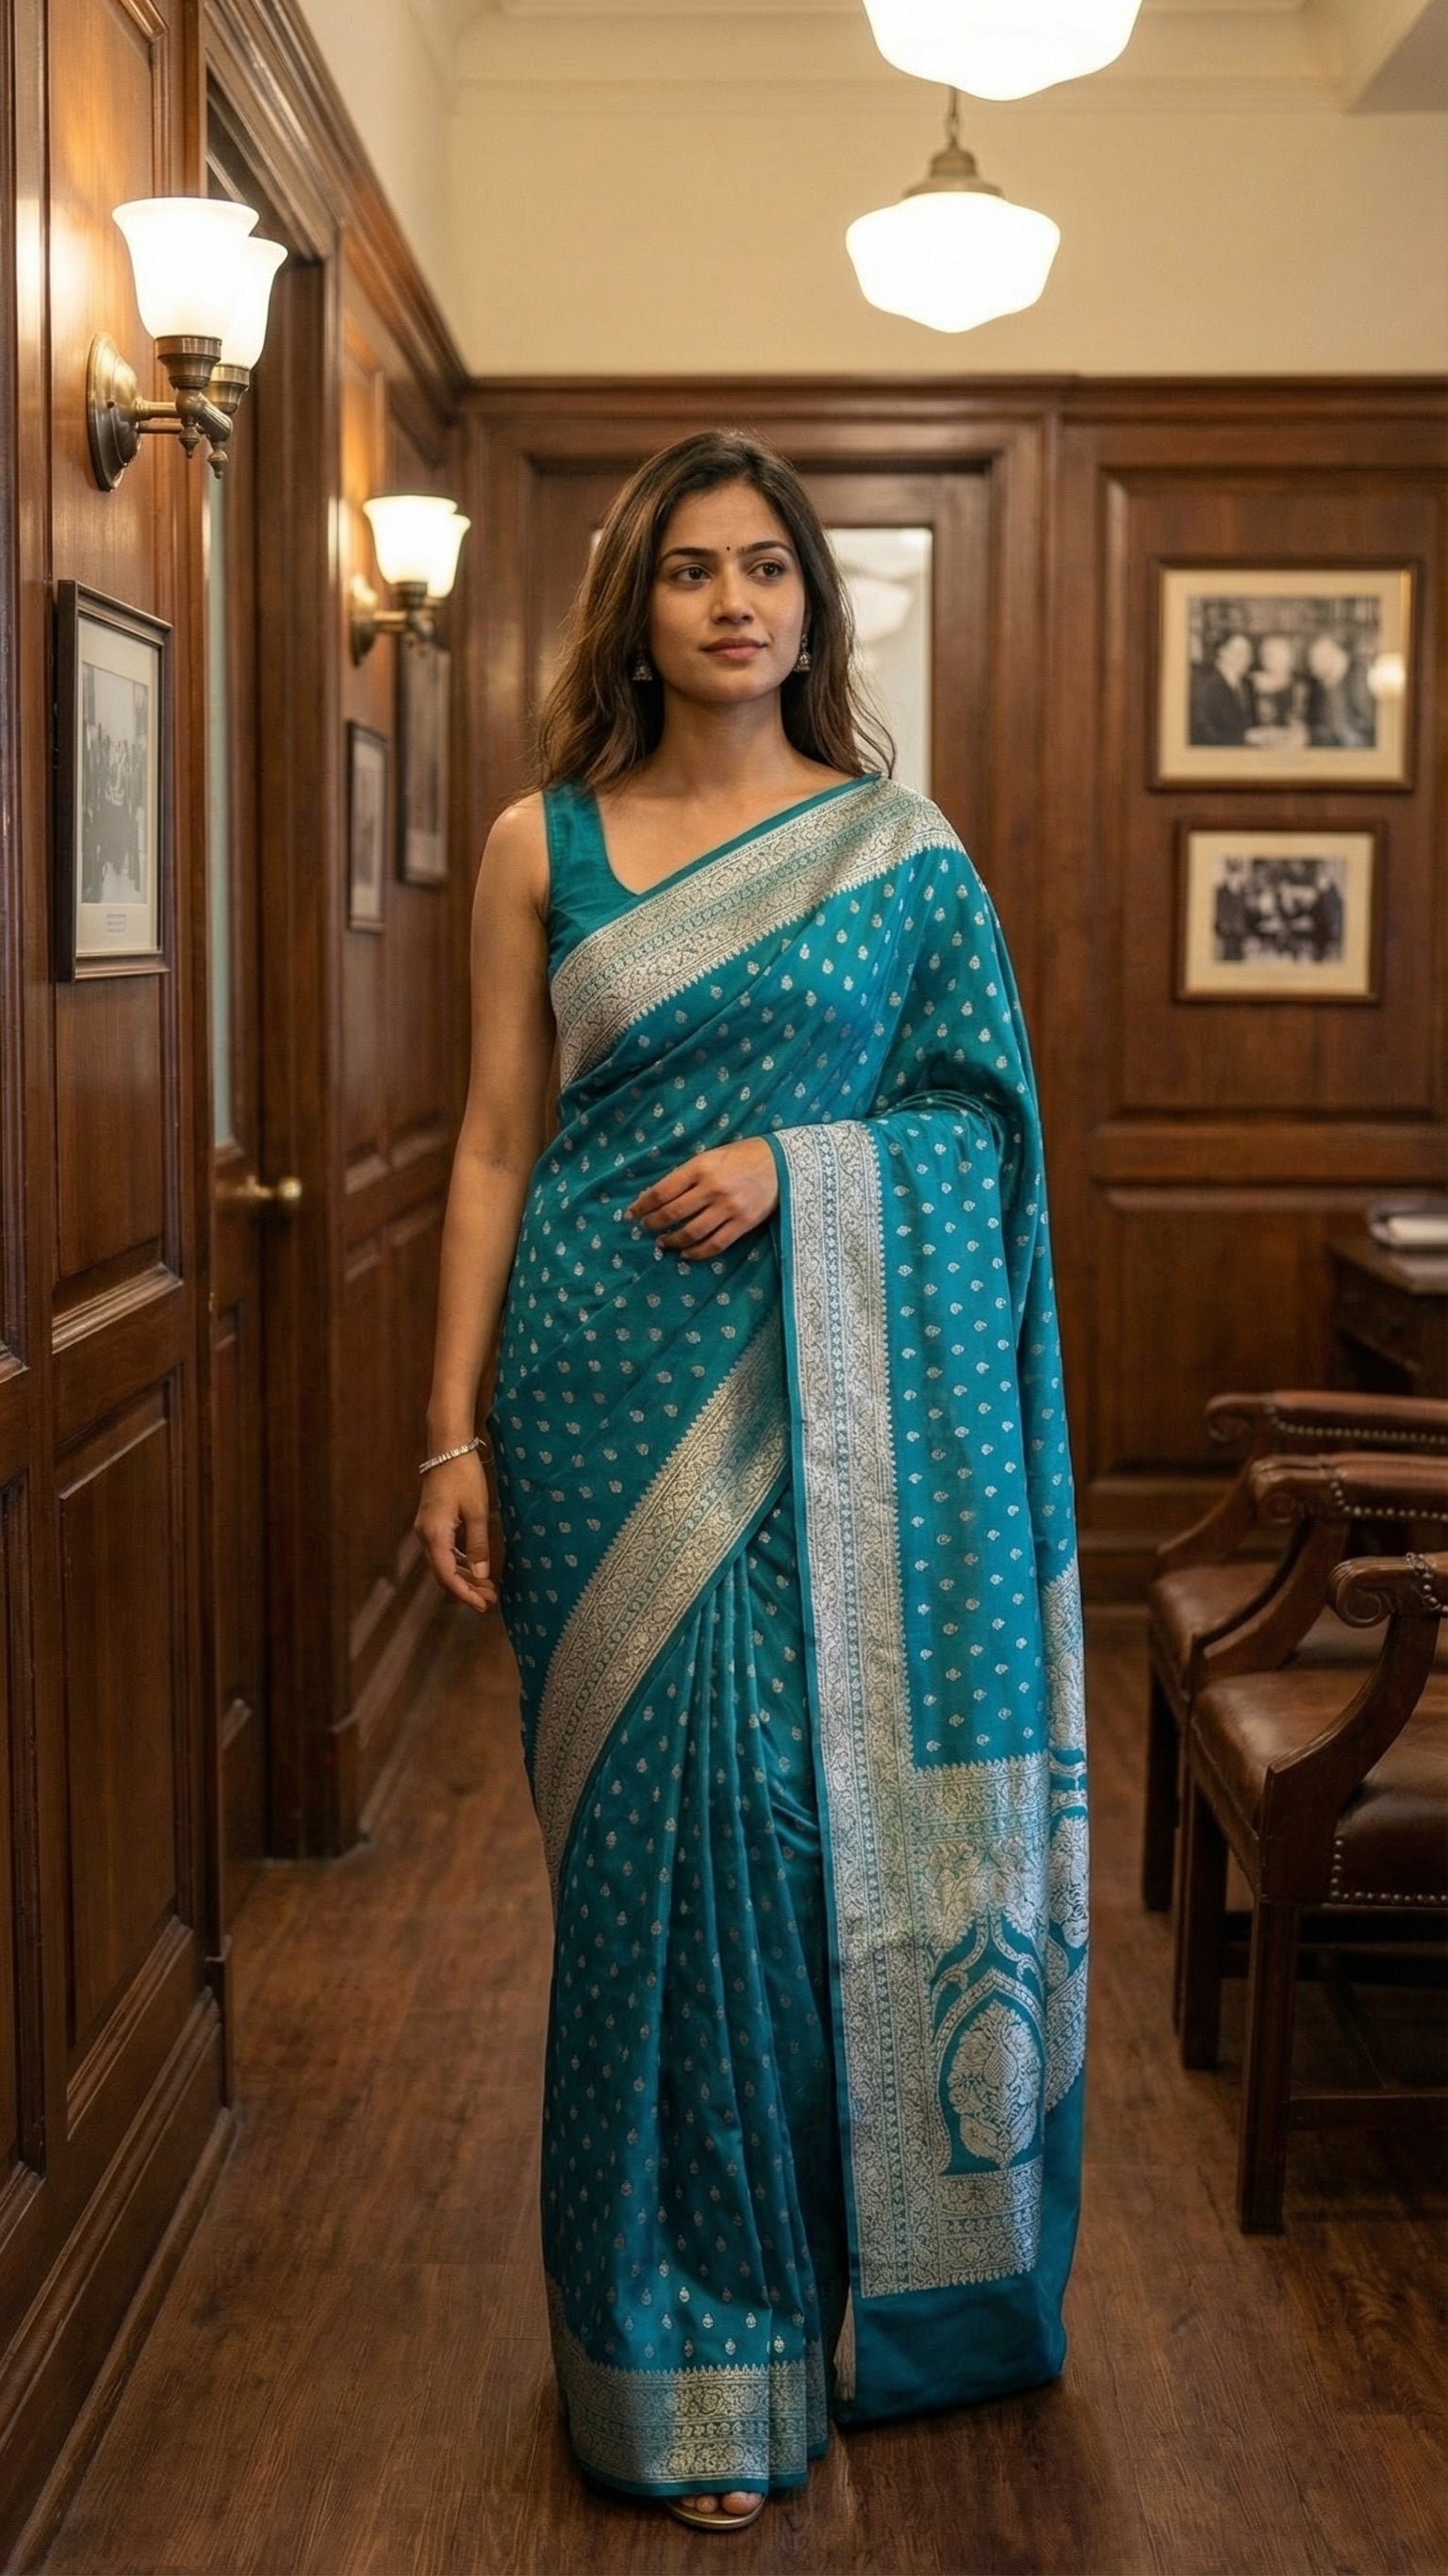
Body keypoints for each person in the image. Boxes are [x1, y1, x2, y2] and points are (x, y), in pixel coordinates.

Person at [415, 430, 1088, 2535]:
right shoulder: (546, 840)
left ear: (815, 604)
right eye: (692, 569)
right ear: (638, 605)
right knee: (644, 1882)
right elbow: (494, 1143)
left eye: (767, 570)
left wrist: (804, 1173)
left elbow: (982, 1136)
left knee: (807, 1860)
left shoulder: (902, 849)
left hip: (843, 1418)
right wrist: (447, 1425)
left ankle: (819, 2298)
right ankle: (679, 2351)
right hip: (594, 1394)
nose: (733, 601)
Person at [1189, 626, 1255, 745]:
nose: (1247, 658)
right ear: (1222, 651)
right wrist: (1245, 738)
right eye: (1240, 652)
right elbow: (1202, 736)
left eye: (1249, 652)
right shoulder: (1204, 684)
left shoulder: (1246, 684)